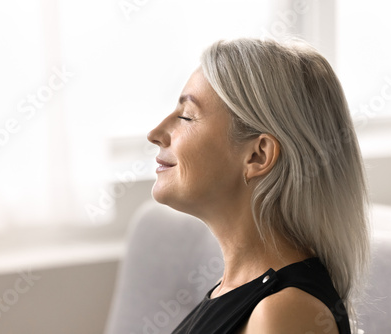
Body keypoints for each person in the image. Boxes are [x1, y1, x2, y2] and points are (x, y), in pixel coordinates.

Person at [147, 38, 369, 334]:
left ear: (257, 155)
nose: (156, 133)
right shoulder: (235, 292)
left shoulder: (283, 313)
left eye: (186, 116)